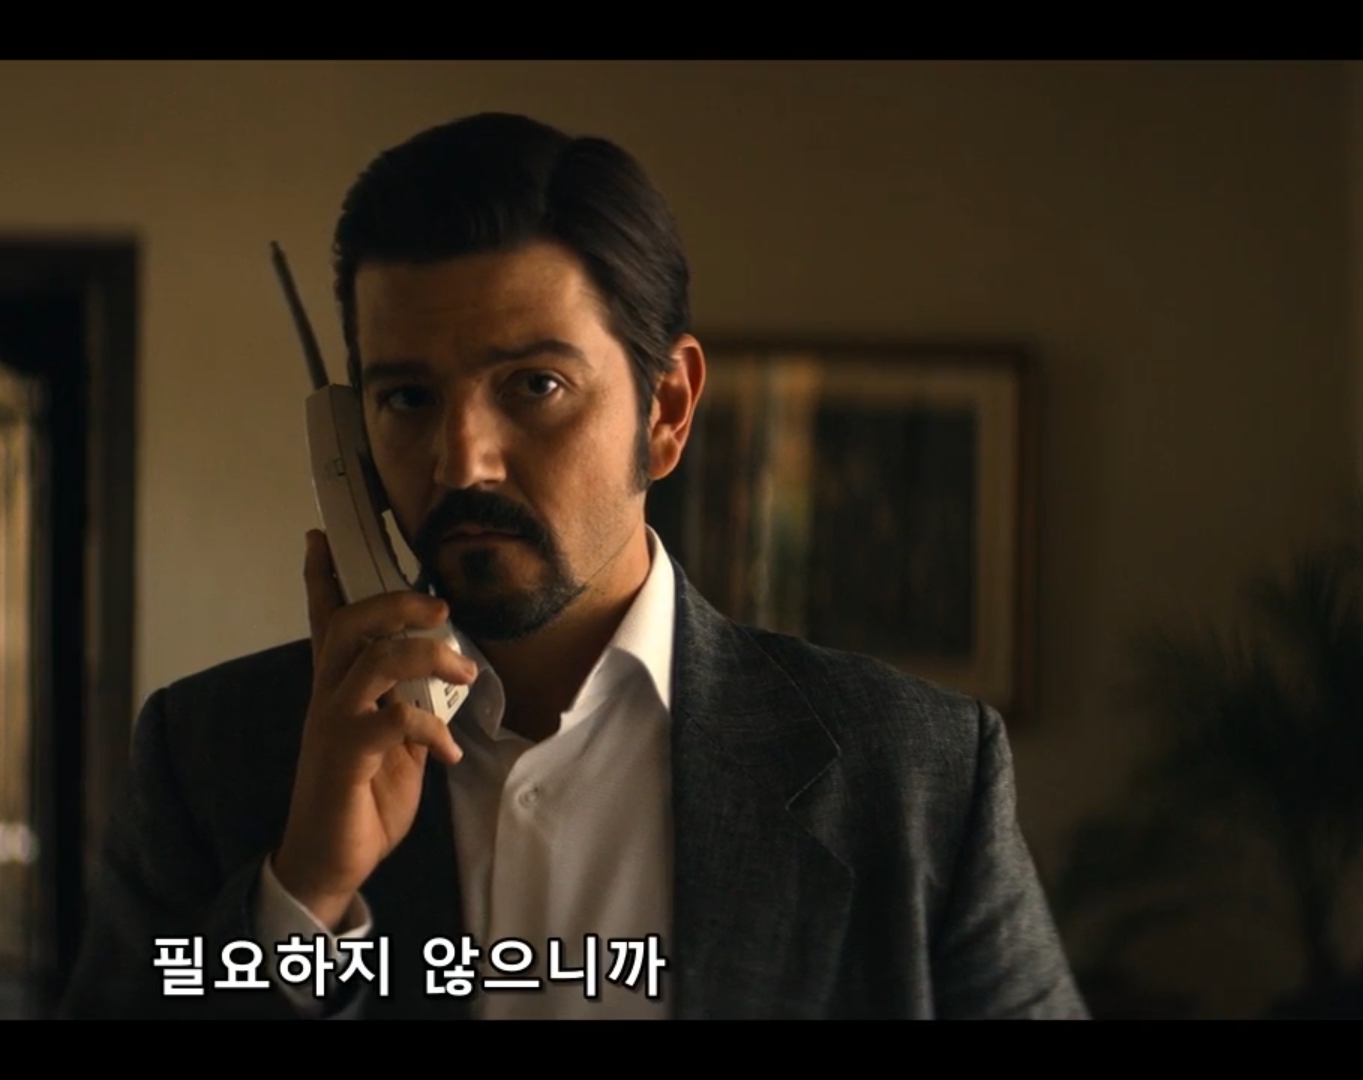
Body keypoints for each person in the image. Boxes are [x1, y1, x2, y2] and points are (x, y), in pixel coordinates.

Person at [59, 112, 1087, 1019]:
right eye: (408, 398)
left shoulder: (915, 779)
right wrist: (300, 905)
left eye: (534, 385)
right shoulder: (212, 758)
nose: (462, 461)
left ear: (667, 409)